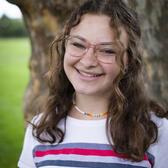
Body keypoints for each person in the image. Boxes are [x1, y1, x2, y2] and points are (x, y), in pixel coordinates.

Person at [18, 0, 168, 168]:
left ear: (129, 61)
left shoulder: (155, 130)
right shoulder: (41, 128)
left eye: (107, 50)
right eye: (78, 44)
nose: (88, 61)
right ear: (64, 48)